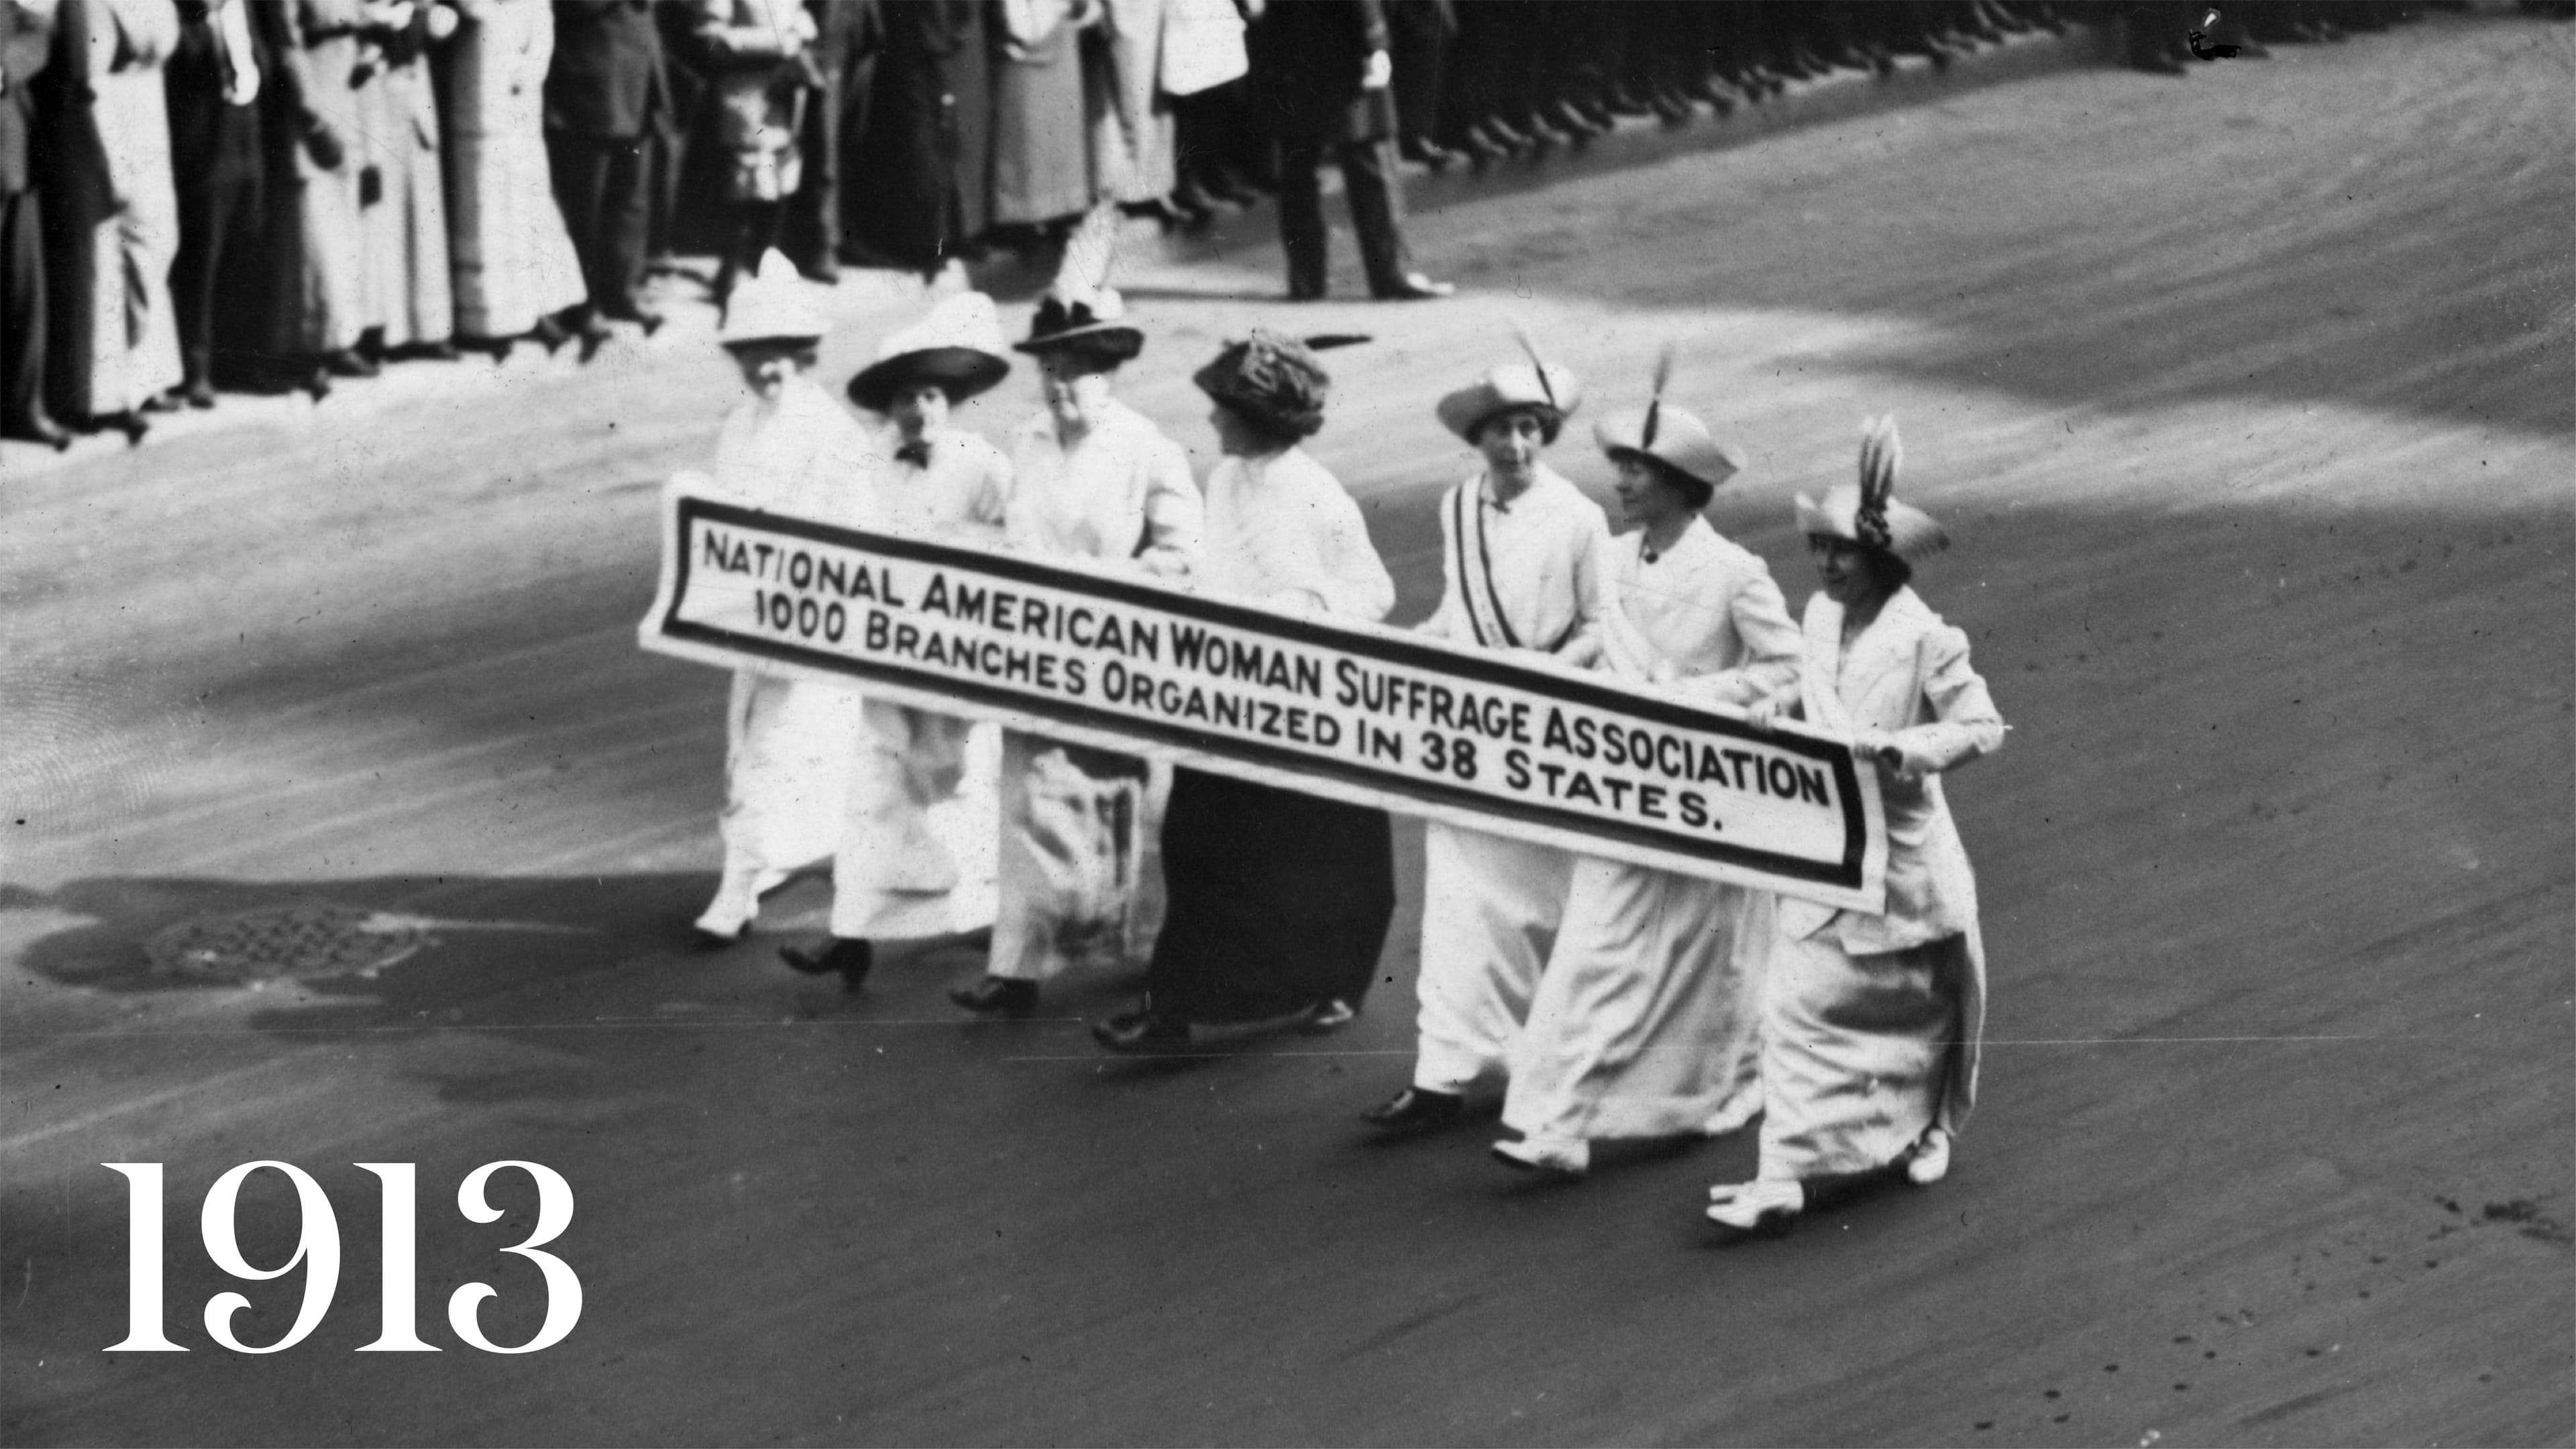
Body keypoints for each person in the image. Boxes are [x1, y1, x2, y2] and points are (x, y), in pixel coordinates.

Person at [1491, 377, 1800, 1177]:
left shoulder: (1736, 572)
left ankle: (1729, 1087)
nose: (1621, 484)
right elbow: (1600, 638)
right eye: (1619, 467)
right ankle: (1556, 1121)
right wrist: (1545, 674)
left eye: (1638, 471)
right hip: (1623, 784)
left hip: (1708, 792)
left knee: (1718, 957)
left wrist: (1694, 699)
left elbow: (1788, 669)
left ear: (1682, 485)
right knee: (1596, 947)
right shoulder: (1612, 555)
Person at [1706, 415, 2006, 1234]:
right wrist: (1776, 706)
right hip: (1825, 846)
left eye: (1843, 552)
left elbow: (1981, 726)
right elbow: (1811, 688)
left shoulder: (1928, 638)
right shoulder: (1819, 617)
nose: (1828, 565)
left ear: (1882, 559)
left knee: (1928, 1007)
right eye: (1821, 550)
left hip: (1905, 857)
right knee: (1795, 1010)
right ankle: (1783, 1175)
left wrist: (1901, 748)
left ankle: (1933, 1126)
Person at [1093, 330, 1399, 1053]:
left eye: (1223, 408)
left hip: (1313, 700)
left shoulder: (1314, 491)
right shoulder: (1226, 481)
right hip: (1231, 692)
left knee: (1331, 852)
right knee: (1199, 843)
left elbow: (1374, 590)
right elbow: (1221, 567)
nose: (1211, 422)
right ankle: (1175, 1006)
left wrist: (1309, 611)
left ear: (1258, 415)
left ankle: (1336, 982)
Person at [1360, 343, 1610, 1135]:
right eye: (1501, 430)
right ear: (1480, 438)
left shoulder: (1579, 517)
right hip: (1469, 736)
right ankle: (1442, 1077)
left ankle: (1554, 1062)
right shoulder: (1458, 507)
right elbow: (1456, 613)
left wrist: (1541, 678)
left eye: (1531, 428)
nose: (1515, 445)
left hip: (1544, 736)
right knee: (1457, 912)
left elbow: (1603, 627)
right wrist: (1415, 643)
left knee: (1544, 915)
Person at [948, 284, 1199, 1020]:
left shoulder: (1146, 448)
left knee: (1134, 813)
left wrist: (1106, 584)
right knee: (1025, 796)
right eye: (1050, 369)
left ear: (1107, 370)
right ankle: (1016, 966)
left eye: (1077, 369)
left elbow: (1184, 554)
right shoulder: (1027, 441)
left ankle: (1153, 951)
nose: (1061, 385)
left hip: (1116, 658)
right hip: (1036, 654)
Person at [777, 291, 1017, 988]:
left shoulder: (981, 464)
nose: (923, 410)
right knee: (874, 784)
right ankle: (852, 931)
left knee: (968, 783)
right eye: (910, 396)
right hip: (889, 655)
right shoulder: (865, 464)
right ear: (891, 406)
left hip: (965, 656)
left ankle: (994, 915)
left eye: (935, 395)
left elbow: (1017, 549)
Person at [688, 250, 871, 946]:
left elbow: (852, 531)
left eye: (778, 354)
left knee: (788, 748)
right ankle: (759, 866)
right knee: (755, 745)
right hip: (756, 619)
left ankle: (744, 883)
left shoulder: (832, 433)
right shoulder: (741, 425)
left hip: (814, 619)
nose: (765, 368)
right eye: (751, 354)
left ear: (802, 354)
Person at [1252, 0, 1452, 301]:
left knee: (1299, 165)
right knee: (1367, 163)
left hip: (1288, 43)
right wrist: (1374, 40)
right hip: (1341, 46)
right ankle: (1387, 274)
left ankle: (1306, 279)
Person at [441, 0, 588, 358]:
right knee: (486, 200)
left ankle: (538, 310)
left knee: (528, 195)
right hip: (477, 84)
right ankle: (489, 320)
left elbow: (542, 16)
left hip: (520, 92)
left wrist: (533, 62)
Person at [546, 0, 670, 355]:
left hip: (639, 79)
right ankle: (582, 305)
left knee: (631, 198)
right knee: (585, 205)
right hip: (590, 84)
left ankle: (622, 291)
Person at [162, 0, 269, 411]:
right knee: (202, 257)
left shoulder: (245, 8)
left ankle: (240, 362)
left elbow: (264, 58)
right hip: (205, 141)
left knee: (246, 249)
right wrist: (203, 19)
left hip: (248, 131)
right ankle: (197, 370)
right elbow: (180, 64)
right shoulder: (188, 12)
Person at [354, 0, 457, 360]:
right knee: (382, 214)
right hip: (374, 88)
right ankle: (384, 332)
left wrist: (429, 17)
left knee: (423, 208)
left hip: (413, 85)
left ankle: (430, 328)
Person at [3, 0, 73, 449]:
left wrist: (5, 69)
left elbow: (39, 33)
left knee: (25, 291)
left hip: (12, 155)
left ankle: (25, 406)